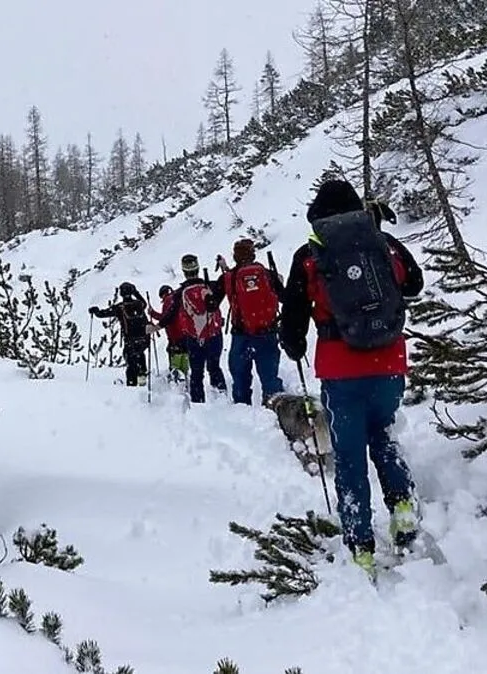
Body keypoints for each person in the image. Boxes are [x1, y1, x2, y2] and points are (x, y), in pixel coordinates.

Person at [278, 179, 425, 578]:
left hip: (341, 369)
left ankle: (361, 543)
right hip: (390, 362)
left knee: (348, 454)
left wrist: (292, 345)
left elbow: (292, 317)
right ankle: (403, 507)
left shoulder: (310, 255)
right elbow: (414, 282)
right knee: (383, 434)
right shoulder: (383, 242)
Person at [148, 254, 227, 403]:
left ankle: (198, 404)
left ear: (184, 271)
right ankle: (222, 399)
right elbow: (228, 282)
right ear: (197, 268)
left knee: (197, 373)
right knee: (215, 368)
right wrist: (224, 268)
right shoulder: (211, 286)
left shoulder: (179, 293)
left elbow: (170, 315)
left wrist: (156, 326)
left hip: (193, 337)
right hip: (214, 334)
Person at [216, 239, 286, 406]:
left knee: (240, 377)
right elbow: (285, 297)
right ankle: (276, 411)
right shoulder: (266, 273)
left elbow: (211, 304)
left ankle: (243, 411)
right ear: (253, 254)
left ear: (235, 256)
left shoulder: (229, 278)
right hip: (267, 332)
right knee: (270, 377)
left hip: (241, 335)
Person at [89, 282, 150, 387]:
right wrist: (136, 292)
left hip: (130, 340)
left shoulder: (119, 308)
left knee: (131, 361)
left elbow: (103, 314)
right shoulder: (139, 304)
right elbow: (144, 302)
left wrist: (95, 311)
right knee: (140, 355)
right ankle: (142, 379)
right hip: (143, 339)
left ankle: (132, 385)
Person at [150, 285, 189, 382]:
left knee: (175, 354)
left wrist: (152, 313)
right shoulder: (180, 298)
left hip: (174, 335)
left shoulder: (168, 301)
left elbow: (165, 318)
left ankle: (176, 377)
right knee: (184, 353)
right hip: (186, 333)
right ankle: (185, 374)